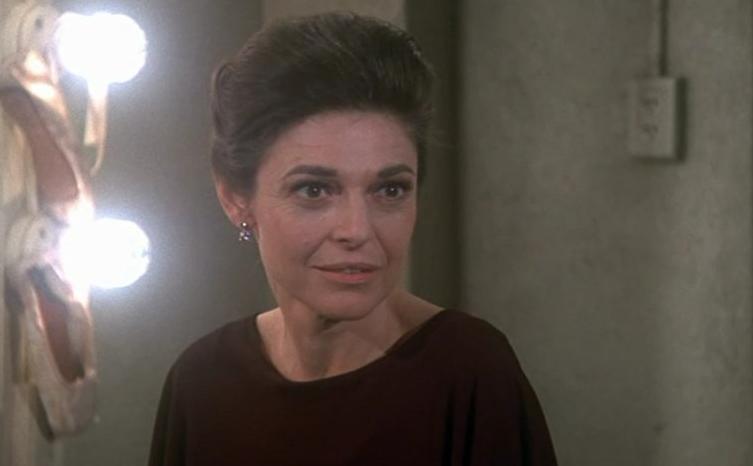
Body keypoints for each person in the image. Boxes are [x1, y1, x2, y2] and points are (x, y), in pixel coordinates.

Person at [148, 12, 557, 466]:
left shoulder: (470, 372)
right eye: (314, 190)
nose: (358, 230)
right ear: (235, 197)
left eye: (390, 190)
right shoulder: (202, 384)